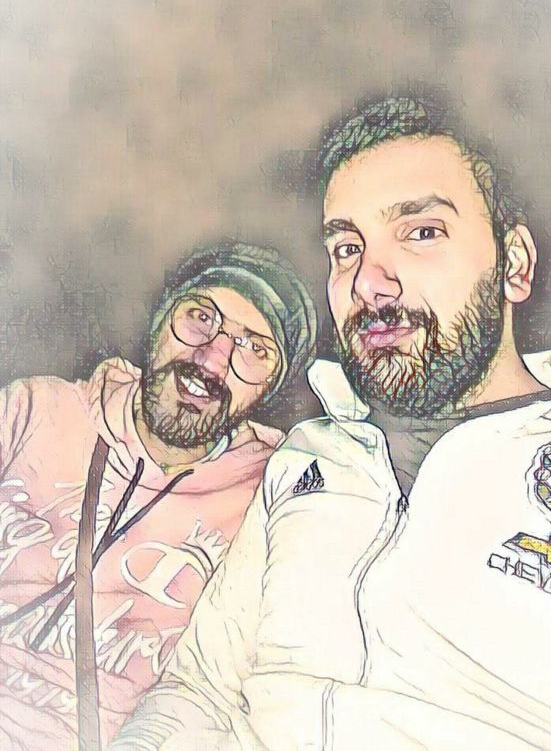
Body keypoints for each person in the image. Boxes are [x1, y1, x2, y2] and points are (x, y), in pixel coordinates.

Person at [113, 98, 551, 751]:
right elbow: (199, 689)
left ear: (514, 264)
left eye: (421, 232)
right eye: (346, 247)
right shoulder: (310, 457)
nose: (369, 280)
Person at [0, 241, 316, 749]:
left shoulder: (274, 494)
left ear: (270, 391)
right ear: (160, 320)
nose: (212, 360)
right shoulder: (34, 410)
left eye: (254, 349)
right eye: (201, 318)